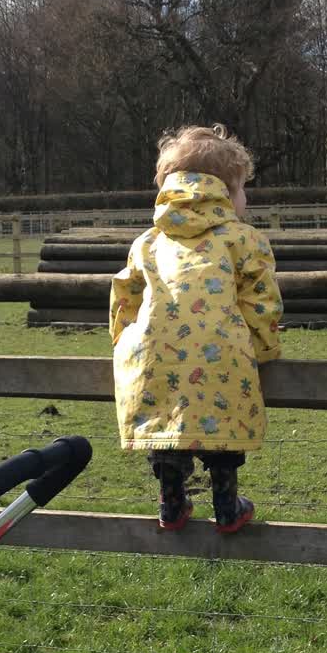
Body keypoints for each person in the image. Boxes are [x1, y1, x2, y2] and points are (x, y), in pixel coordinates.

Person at [111, 123, 282, 533]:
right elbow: (262, 300)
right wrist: (260, 348)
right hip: (222, 353)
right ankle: (226, 504)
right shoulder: (244, 238)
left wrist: (124, 342)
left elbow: (124, 296)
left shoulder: (148, 242)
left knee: (166, 425)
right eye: (242, 188)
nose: (246, 198)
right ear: (224, 190)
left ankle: (171, 502)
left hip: (151, 356)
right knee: (222, 426)